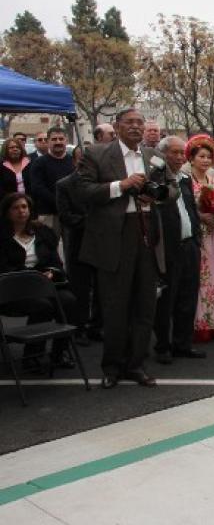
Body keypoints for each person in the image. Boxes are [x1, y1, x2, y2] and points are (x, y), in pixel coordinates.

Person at [75, 107, 171, 388]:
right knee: (115, 306)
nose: (136, 127)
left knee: (145, 305)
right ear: (116, 127)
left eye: (140, 123)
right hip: (113, 238)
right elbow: (83, 192)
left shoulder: (154, 156)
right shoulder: (97, 154)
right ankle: (112, 366)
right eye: (129, 122)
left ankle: (136, 364)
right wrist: (121, 185)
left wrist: (156, 196)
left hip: (147, 234)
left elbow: (171, 188)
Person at [0, 193, 80, 370]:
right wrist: (33, 275)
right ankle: (32, 355)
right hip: (13, 290)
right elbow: (3, 269)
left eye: (24, 207)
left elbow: (56, 263)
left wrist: (51, 273)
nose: (21, 211)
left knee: (69, 301)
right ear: (6, 212)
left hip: (44, 285)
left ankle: (60, 352)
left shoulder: (43, 233)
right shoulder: (3, 237)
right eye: (15, 208)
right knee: (43, 305)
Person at [153, 136, 205, 364]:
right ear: (163, 154)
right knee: (167, 300)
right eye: (173, 152)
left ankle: (182, 343)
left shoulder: (184, 179)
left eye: (180, 152)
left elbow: (191, 208)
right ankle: (163, 346)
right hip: (168, 248)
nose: (177, 156)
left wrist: (197, 237)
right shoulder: (156, 181)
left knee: (188, 296)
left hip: (189, 245)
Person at [187, 136, 214, 341]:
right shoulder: (185, 180)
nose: (205, 160)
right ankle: (200, 323)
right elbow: (184, 210)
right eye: (201, 156)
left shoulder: (213, 179)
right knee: (202, 278)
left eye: (209, 157)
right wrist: (201, 216)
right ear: (192, 158)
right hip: (198, 235)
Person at [56, 147, 97, 343]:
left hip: (102, 242)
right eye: (81, 161)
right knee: (80, 288)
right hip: (79, 242)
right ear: (74, 161)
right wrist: (90, 222)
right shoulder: (63, 185)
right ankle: (79, 328)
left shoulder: (100, 183)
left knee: (101, 288)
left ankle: (97, 326)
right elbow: (65, 216)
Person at [26, 126, 73, 234]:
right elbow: (37, 187)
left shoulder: (73, 161)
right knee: (48, 248)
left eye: (61, 139)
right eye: (54, 139)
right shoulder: (39, 162)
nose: (58, 142)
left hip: (70, 213)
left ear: (66, 141)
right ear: (48, 141)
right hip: (48, 213)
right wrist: (59, 202)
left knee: (72, 248)